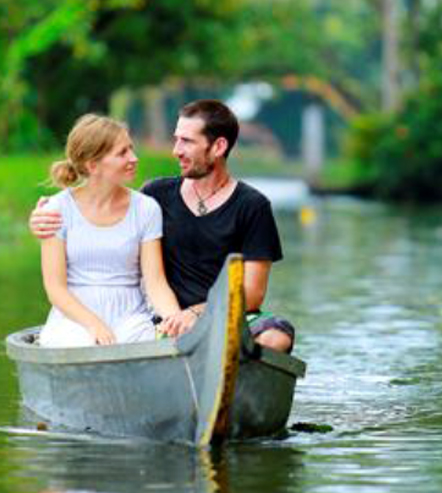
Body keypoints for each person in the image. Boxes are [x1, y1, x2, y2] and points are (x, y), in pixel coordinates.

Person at [32, 100, 295, 353]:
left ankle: (232, 381)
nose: (175, 150)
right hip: (164, 317)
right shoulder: (156, 196)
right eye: (176, 139)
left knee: (275, 338)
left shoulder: (252, 206)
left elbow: (252, 294)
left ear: (218, 147)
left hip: (223, 312)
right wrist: (40, 219)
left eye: (187, 141)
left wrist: (193, 314)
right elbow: (103, 210)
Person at [36, 114, 186, 347]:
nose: (134, 158)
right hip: (74, 318)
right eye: (122, 153)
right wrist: (93, 324)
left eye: (132, 149)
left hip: (131, 319)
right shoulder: (57, 209)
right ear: (93, 165)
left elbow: (155, 282)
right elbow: (55, 288)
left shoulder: (146, 209)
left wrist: (174, 317)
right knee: (80, 344)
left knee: (146, 342)